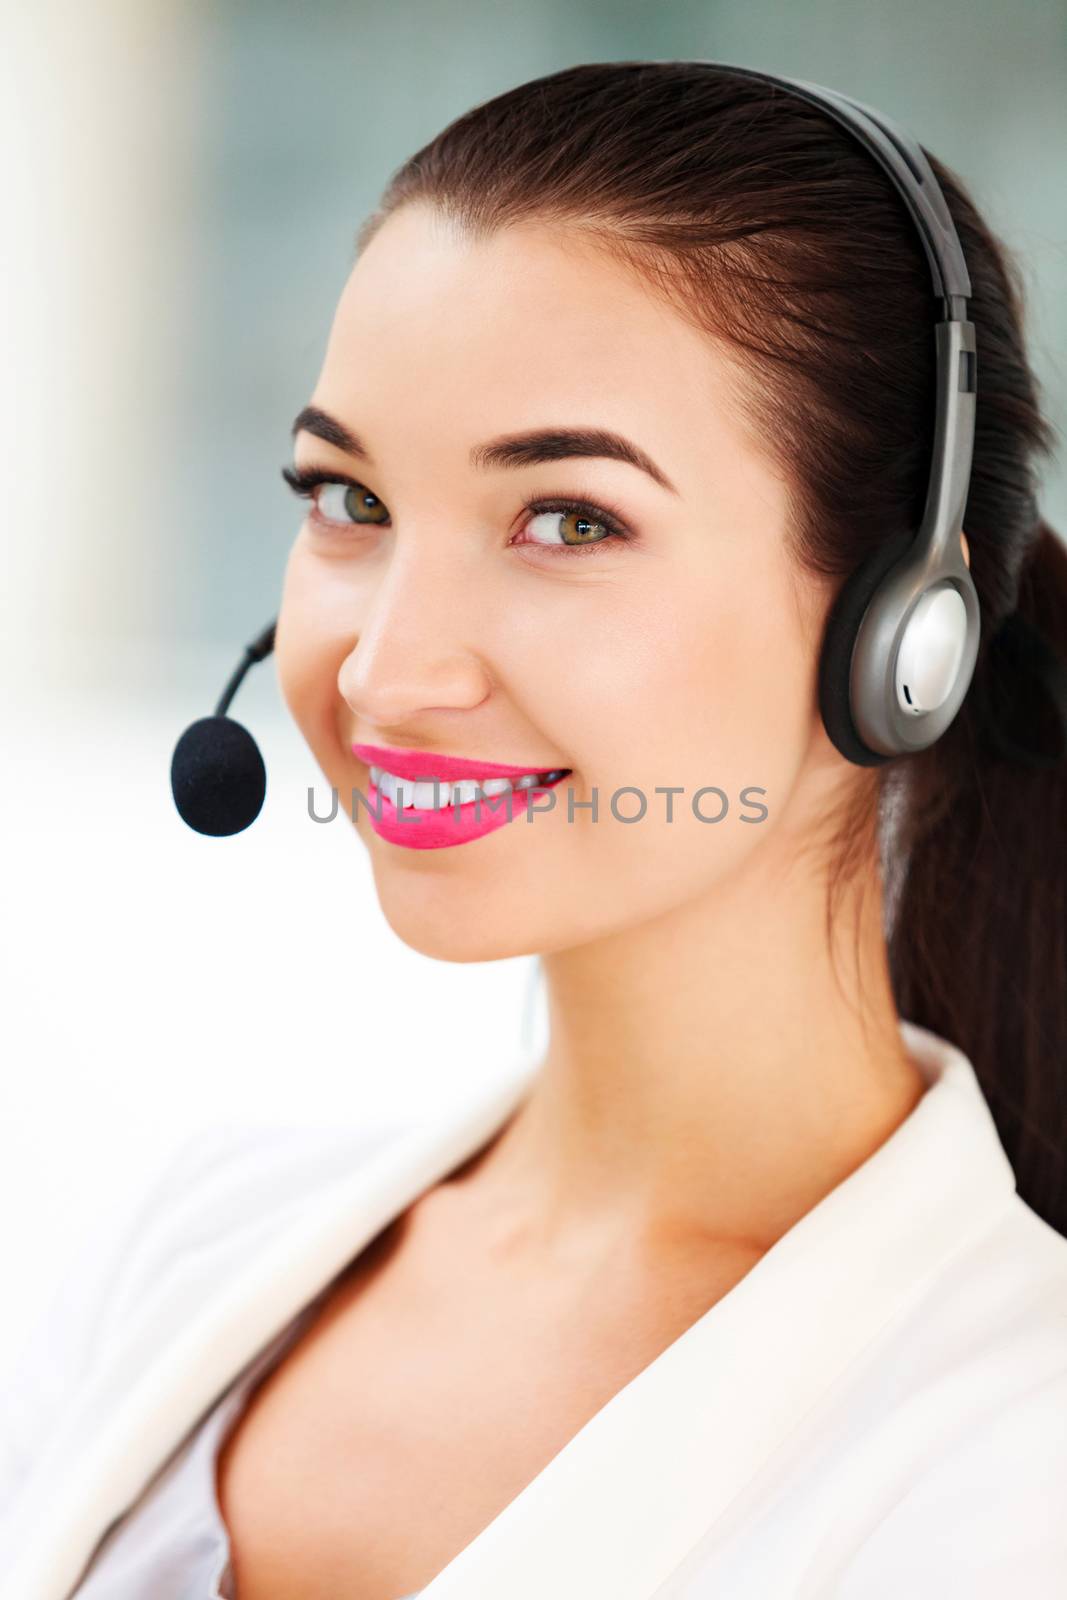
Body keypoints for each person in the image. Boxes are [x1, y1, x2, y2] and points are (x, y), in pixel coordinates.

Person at [4, 59, 1067, 1600]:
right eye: (349, 500)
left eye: (571, 522)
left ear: (910, 630)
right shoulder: (204, 1242)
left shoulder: (1011, 1453)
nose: (387, 670)